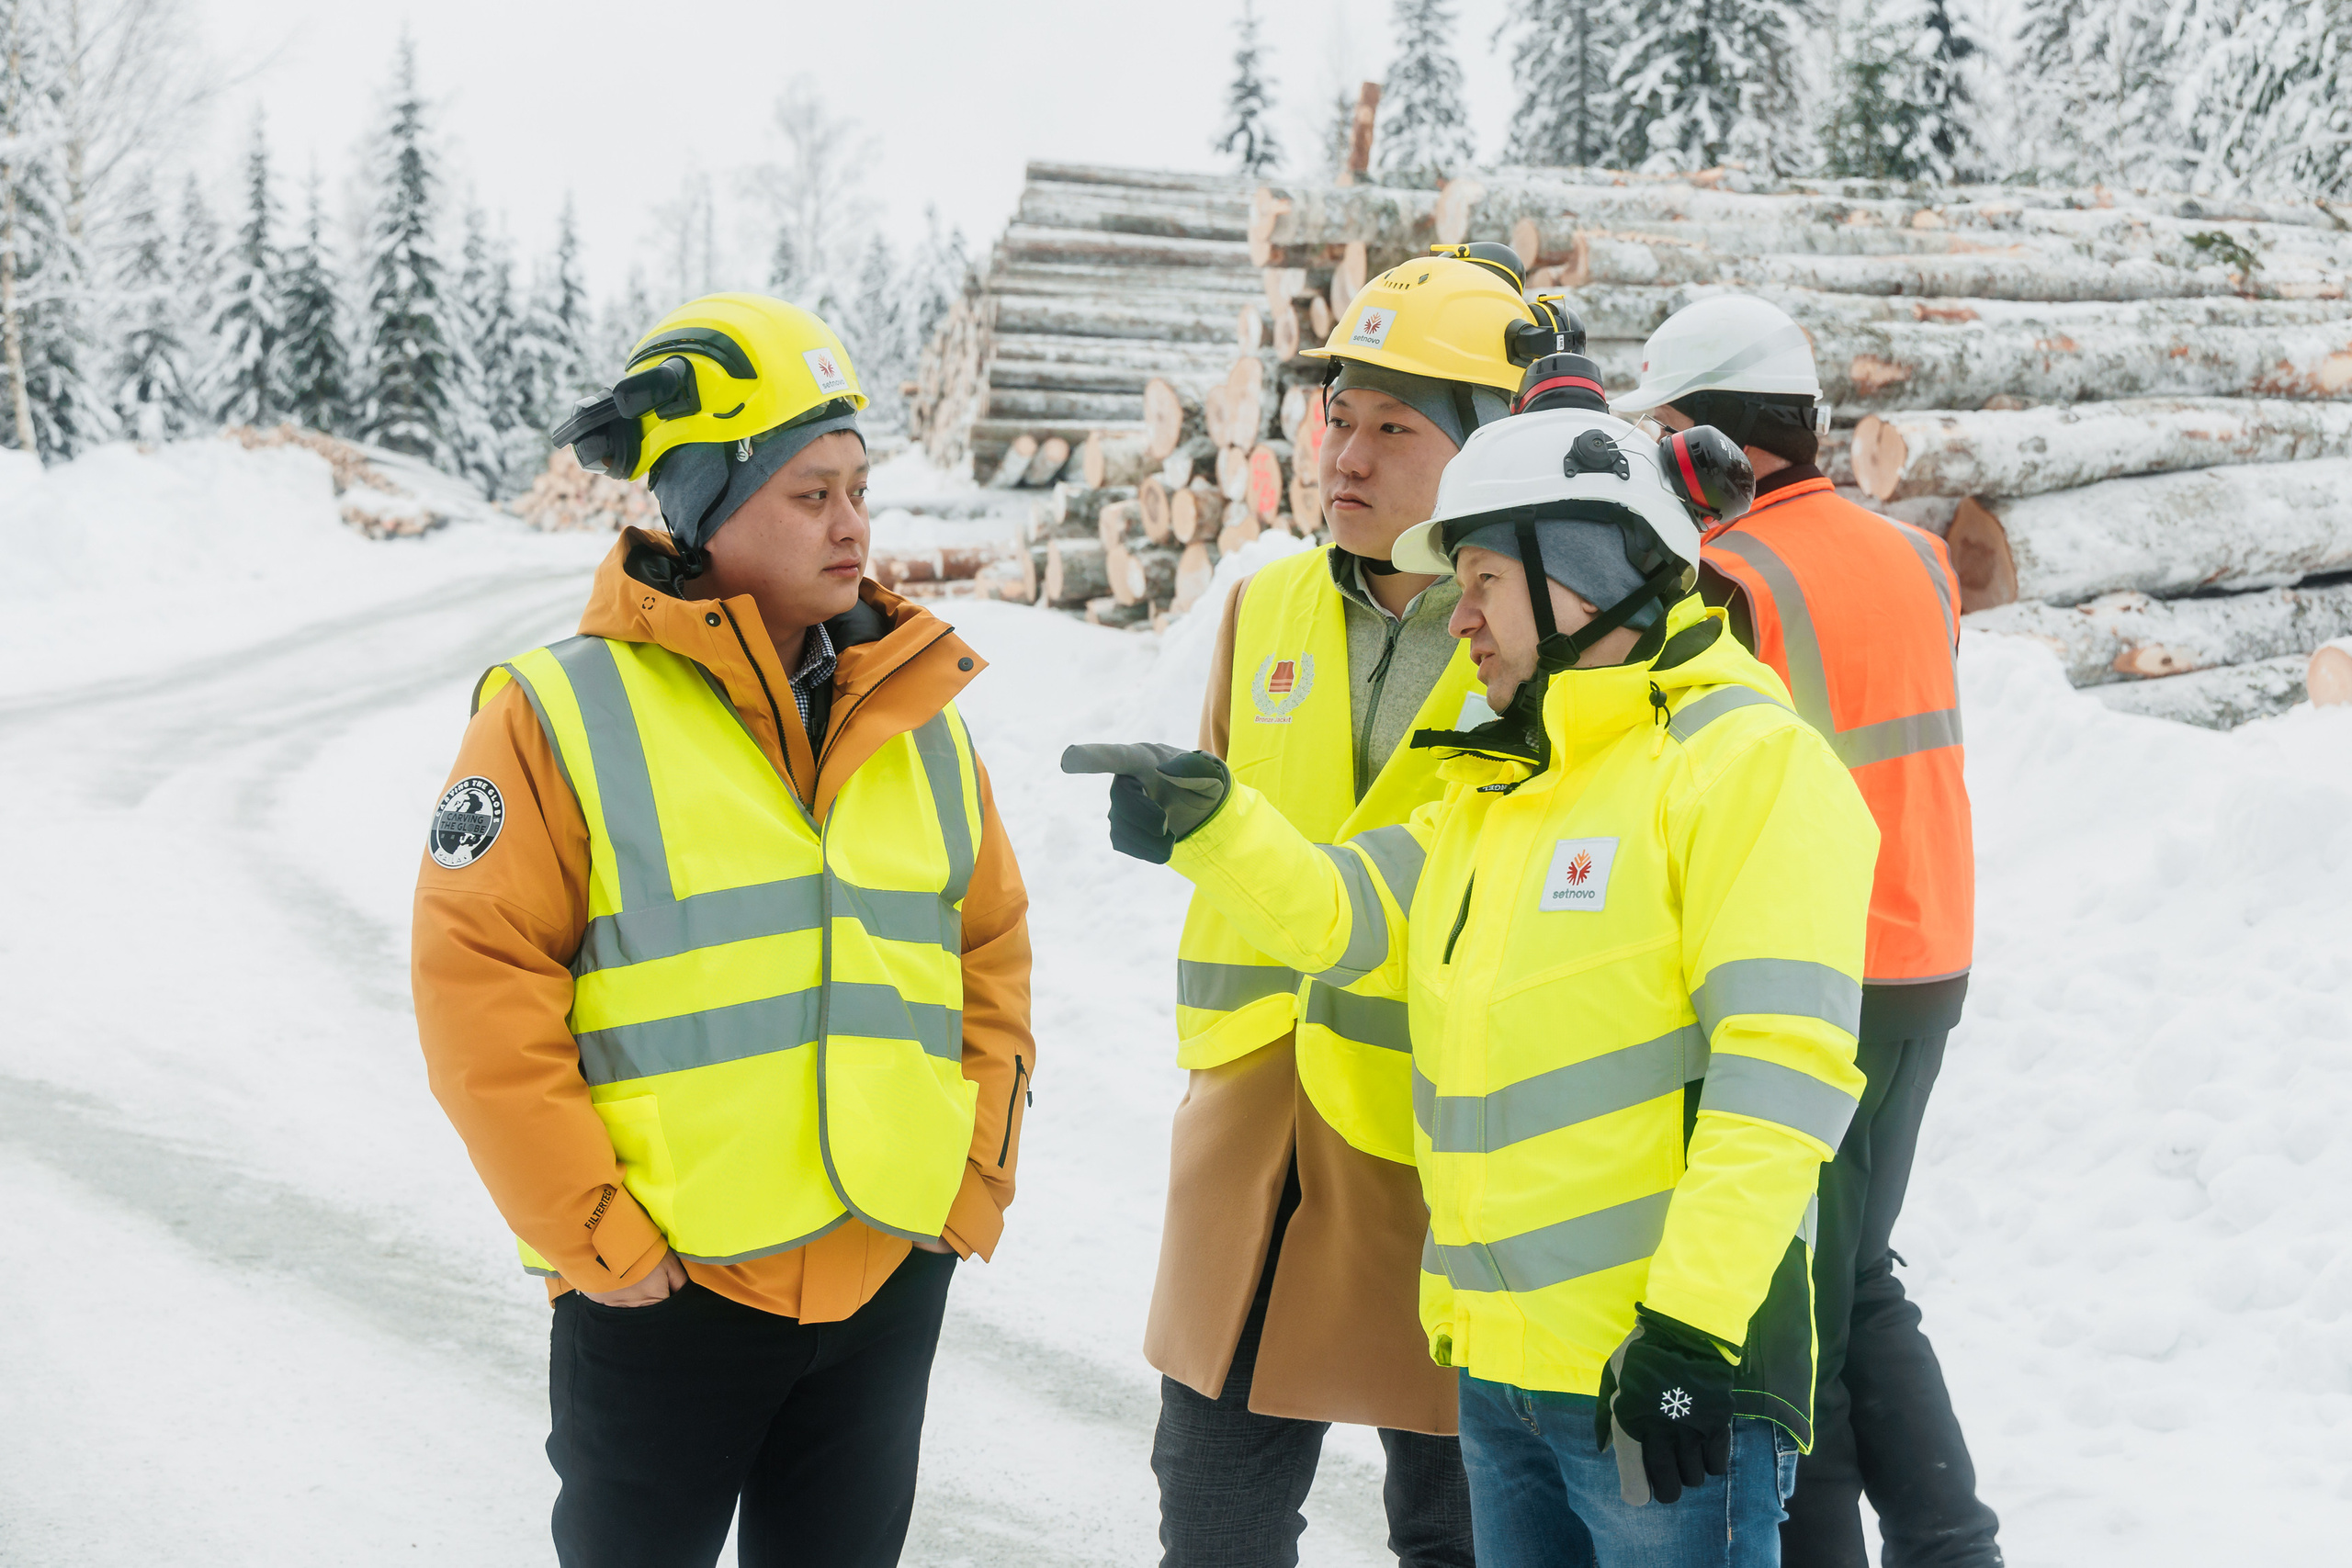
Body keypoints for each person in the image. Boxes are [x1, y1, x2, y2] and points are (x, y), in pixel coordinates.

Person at [1068, 365, 1881, 1567]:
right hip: (1501, 1373)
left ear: (1584, 577)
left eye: (1484, 584)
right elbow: (1356, 920)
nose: (1460, 620)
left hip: (1652, 1377)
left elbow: (1783, 1079)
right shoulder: (1501, 780)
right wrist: (1217, 826)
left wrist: (1693, 1336)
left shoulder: (1745, 768)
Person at [412, 294, 1034, 1568]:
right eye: (811, 493)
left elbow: (992, 957)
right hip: (664, 1294)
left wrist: (969, 1183)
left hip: (881, 1281)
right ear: (700, 506)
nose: (853, 523)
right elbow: (477, 990)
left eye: (859, 486)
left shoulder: (918, 716)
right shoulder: (554, 714)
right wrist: (594, 1238)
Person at [1145, 245, 1541, 1568]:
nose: (1344, 457)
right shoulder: (1260, 609)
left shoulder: (1540, 639)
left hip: (1443, 1155)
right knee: (1211, 1522)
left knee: (1461, 1529)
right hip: (1255, 1148)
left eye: (1393, 428)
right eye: (1335, 418)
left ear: (1486, 453)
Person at [1612, 296, 2000, 1568]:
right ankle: (1952, 1543)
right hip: (1928, 955)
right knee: (1856, 1271)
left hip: (1816, 968)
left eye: (1665, 439)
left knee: (1794, 1313)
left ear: (1720, 443)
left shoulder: (1731, 578)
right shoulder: (1917, 555)